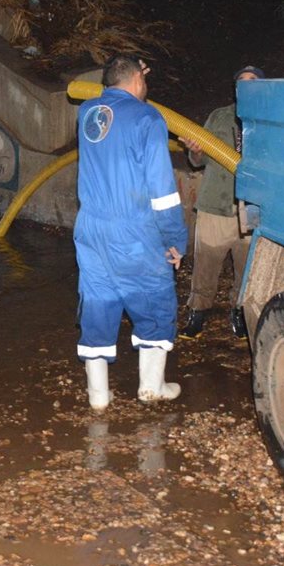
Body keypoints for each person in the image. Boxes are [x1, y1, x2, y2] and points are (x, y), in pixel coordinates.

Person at [75, 55, 188, 410]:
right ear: (138, 79)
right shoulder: (147, 117)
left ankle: (98, 396)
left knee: (98, 300)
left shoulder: (87, 112)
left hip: (90, 228)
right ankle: (151, 387)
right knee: (154, 299)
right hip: (132, 228)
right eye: (143, 79)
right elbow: (162, 189)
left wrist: (131, 71)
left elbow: (113, 115)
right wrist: (174, 238)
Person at [178, 65, 265, 339]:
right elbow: (198, 161)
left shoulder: (269, 121)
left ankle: (238, 311)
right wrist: (195, 152)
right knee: (205, 264)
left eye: (252, 80)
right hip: (216, 203)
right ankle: (197, 311)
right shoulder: (219, 116)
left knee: (246, 266)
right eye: (241, 81)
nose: (246, 85)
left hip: (252, 206)